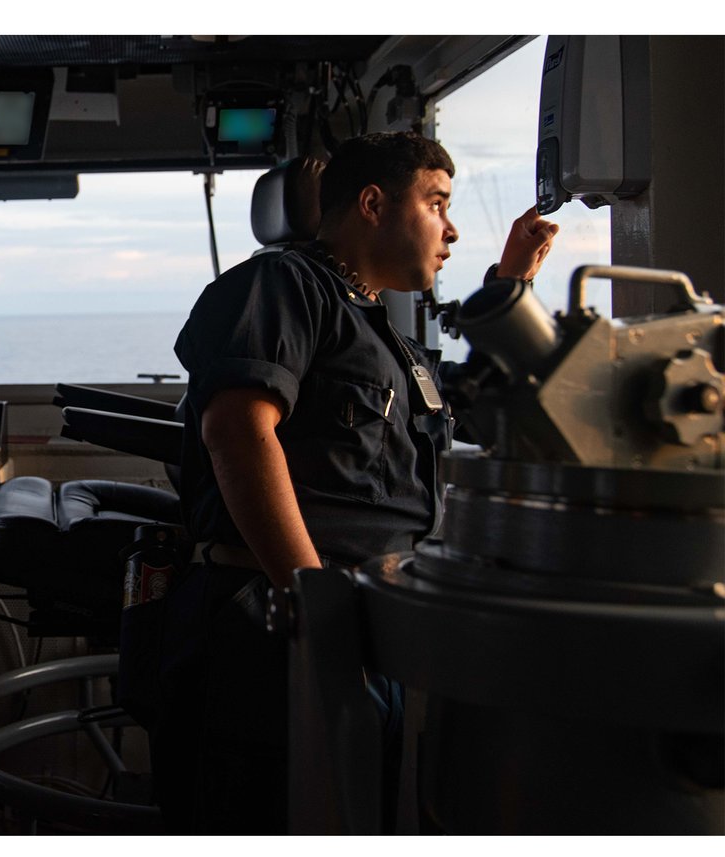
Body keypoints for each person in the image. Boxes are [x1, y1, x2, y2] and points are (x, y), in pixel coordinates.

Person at [154, 132, 558, 833]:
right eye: (437, 204)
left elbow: (465, 404)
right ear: (372, 203)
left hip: (357, 626)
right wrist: (313, 604)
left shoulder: (378, 326)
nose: (451, 228)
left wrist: (509, 286)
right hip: (277, 625)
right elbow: (239, 432)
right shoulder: (280, 286)